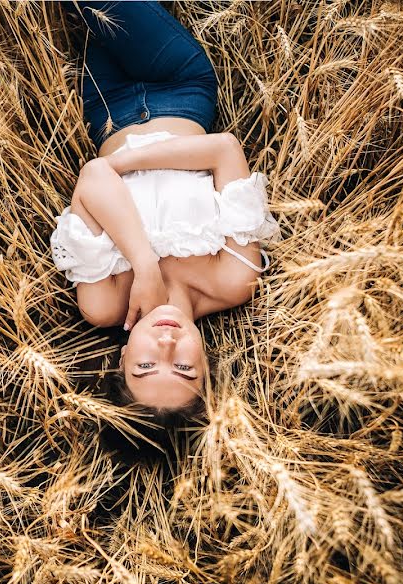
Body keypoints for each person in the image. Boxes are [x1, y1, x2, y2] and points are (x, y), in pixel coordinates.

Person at [51, 1, 281, 423]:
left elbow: (92, 176)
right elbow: (223, 150)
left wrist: (144, 265)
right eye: (183, 368)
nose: (166, 348)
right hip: (180, 88)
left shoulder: (102, 304)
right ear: (207, 367)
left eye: (144, 366)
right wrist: (115, 168)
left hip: (104, 108)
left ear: (121, 360)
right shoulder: (232, 280)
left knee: (84, 15)